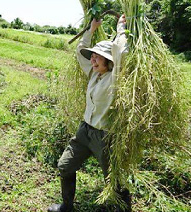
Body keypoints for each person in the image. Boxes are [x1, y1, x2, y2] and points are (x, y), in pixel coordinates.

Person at [48, 14, 131, 212]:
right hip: (84, 131)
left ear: (109, 60)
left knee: (115, 180)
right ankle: (67, 206)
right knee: (65, 166)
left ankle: (124, 209)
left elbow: (121, 51)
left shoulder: (116, 78)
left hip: (105, 136)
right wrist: (91, 29)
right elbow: (79, 51)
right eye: (92, 56)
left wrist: (121, 29)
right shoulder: (94, 74)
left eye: (97, 56)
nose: (92, 59)